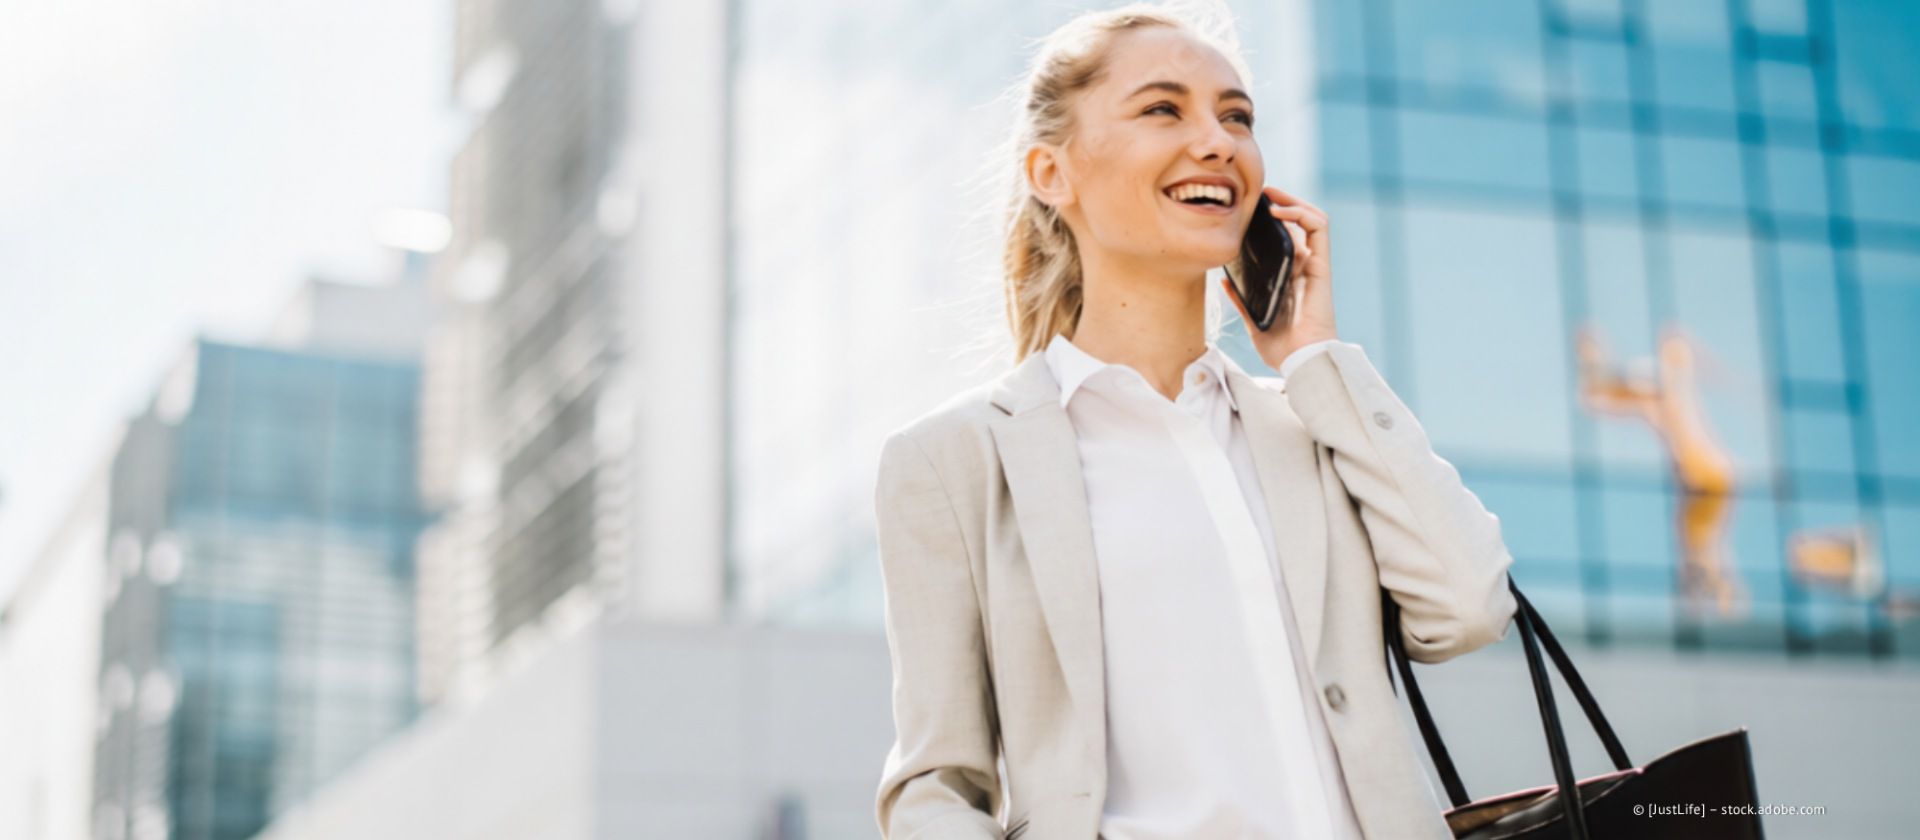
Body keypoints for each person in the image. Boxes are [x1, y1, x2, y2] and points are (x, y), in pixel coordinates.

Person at [871, 3, 1517, 838]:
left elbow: (1467, 608)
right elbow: (934, 785)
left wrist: (1316, 359)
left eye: (1237, 116)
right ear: (1050, 172)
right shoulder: (953, 461)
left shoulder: (1313, 425)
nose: (1218, 141)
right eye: (1162, 109)